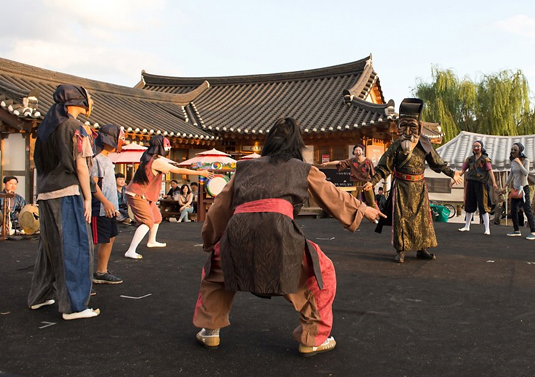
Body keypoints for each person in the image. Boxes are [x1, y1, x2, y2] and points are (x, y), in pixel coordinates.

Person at [192, 117, 385, 354]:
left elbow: (220, 207)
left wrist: (210, 241)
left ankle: (209, 331)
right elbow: (332, 194)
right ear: (297, 145)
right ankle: (312, 338)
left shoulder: (244, 168)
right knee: (321, 272)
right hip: (280, 235)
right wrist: (363, 208)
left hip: (237, 232)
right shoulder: (303, 169)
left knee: (215, 271)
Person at [27, 84, 100, 320]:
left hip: (45, 192)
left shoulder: (46, 128)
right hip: (67, 192)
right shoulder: (75, 127)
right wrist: (88, 197)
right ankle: (74, 306)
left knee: (49, 248)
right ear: (78, 102)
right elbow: (81, 165)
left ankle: (39, 295)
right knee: (75, 246)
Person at [363, 99, 461, 263]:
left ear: (420, 127)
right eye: (403, 126)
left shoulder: (424, 145)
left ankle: (422, 249)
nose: (408, 131)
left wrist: (452, 174)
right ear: (398, 127)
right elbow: (383, 168)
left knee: (422, 220)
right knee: (401, 220)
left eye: (412, 126)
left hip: (419, 188)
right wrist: (372, 182)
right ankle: (400, 250)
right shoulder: (395, 147)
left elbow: (437, 163)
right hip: (401, 188)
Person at [124, 135, 212, 260]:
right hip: (138, 194)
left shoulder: (150, 158)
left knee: (157, 218)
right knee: (147, 221)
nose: (168, 149)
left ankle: (151, 241)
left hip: (144, 194)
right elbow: (178, 171)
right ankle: (131, 250)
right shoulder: (156, 161)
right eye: (166, 146)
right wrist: (200, 172)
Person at [90, 125, 126, 285]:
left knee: (110, 239)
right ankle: (86, 275)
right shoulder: (96, 159)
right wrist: (105, 202)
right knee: (95, 241)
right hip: (100, 208)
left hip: (109, 208)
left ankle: (101, 271)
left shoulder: (107, 160)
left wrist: (114, 207)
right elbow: (93, 184)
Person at [458, 140, 498, 235]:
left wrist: (494, 183)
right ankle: (467, 226)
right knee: (469, 204)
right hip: (471, 183)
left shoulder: (485, 159)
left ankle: (487, 228)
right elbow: (462, 170)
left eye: (478, 146)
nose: (476, 148)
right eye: (474, 146)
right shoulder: (470, 159)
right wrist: (455, 178)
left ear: (481, 148)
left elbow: (490, 171)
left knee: (483, 206)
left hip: (481, 184)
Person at [505, 142, 535, 240]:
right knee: (513, 210)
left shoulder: (525, 160)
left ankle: (533, 232)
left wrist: (519, 163)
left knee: (527, 210)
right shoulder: (512, 161)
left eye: (515, 150)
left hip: (523, 189)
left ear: (520, 151)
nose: (513, 151)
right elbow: (511, 174)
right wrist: (505, 186)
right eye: (512, 149)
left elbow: (526, 173)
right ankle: (516, 230)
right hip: (515, 189)